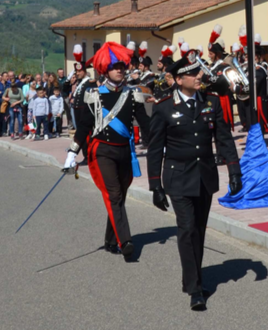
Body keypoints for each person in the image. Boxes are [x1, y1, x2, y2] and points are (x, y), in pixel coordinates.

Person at [147, 55, 242, 311]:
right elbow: (155, 149)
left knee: (198, 230)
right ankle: (195, 289)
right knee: (187, 229)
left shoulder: (210, 102)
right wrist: (155, 185)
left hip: (204, 176)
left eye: (199, 73)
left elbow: (224, 138)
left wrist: (235, 171)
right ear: (179, 80)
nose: (199, 77)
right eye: (193, 74)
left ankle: (190, 277)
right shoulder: (164, 107)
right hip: (178, 178)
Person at [63, 42, 151, 261]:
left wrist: (163, 139)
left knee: (119, 196)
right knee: (113, 194)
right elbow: (84, 126)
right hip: (102, 151)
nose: (119, 69)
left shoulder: (132, 94)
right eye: (114, 66)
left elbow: (146, 125)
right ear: (104, 70)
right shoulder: (94, 95)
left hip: (125, 152)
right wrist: (72, 152)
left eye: (121, 65)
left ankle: (111, 240)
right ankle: (126, 241)